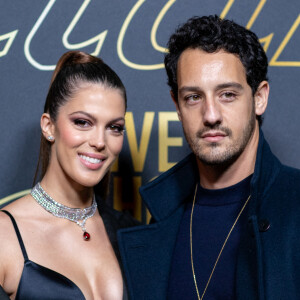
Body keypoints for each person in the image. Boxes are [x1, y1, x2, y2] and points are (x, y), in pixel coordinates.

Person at [117, 15, 300, 299]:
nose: (211, 115)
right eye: (193, 97)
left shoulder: (295, 202)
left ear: (259, 98)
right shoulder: (163, 219)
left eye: (227, 94)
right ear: (177, 105)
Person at [0, 51, 137, 300]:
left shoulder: (130, 232)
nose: (99, 142)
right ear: (48, 126)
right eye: (83, 122)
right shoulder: (4, 236)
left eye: (114, 128)